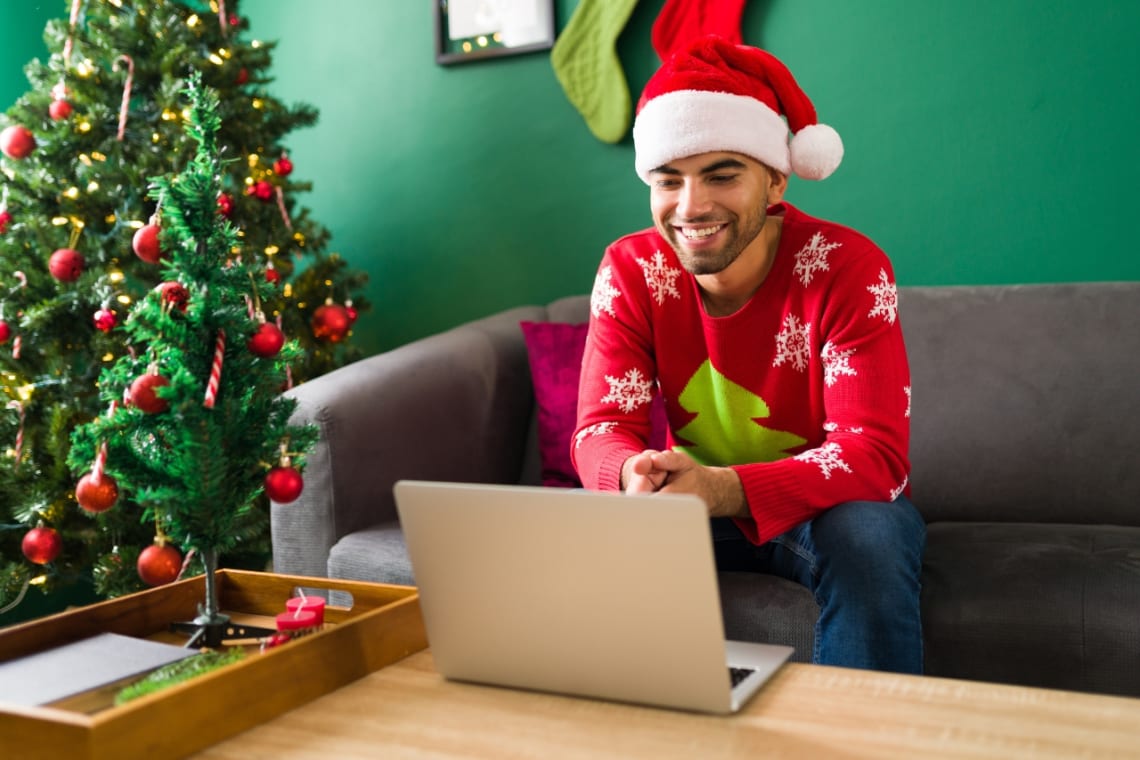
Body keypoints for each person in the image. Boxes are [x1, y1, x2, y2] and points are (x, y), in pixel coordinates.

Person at [570, 35, 925, 674]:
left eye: (722, 175)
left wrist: (721, 488)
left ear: (777, 177)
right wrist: (635, 477)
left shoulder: (847, 268)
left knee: (871, 531)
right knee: (578, 544)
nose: (691, 206)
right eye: (668, 180)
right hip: (688, 508)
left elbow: (873, 456)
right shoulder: (630, 269)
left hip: (824, 512)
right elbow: (600, 430)